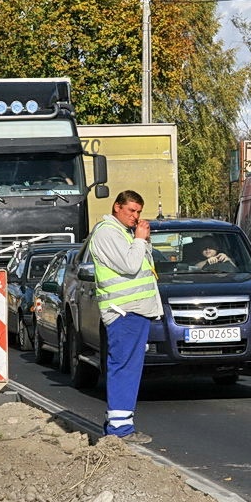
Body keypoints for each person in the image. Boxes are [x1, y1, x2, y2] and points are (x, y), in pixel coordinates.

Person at [88, 190, 163, 444]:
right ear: (116, 207)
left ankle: (119, 424)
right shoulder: (107, 232)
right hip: (124, 311)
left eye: (139, 212)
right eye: (131, 210)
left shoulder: (123, 232)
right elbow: (130, 266)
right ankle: (120, 430)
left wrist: (142, 240)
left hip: (134, 310)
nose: (135, 216)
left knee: (129, 367)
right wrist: (141, 240)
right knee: (124, 368)